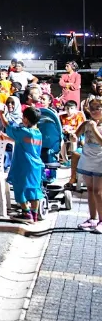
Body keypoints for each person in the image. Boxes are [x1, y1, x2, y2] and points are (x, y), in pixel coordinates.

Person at [0, 107, 45, 222]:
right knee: (34, 190)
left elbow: (7, 126)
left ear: (27, 119)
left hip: (23, 164)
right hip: (36, 166)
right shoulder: (38, 133)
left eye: (23, 117)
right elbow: (22, 141)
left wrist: (1, 114)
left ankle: (26, 212)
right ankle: (34, 215)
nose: (22, 119)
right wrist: (7, 138)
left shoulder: (24, 131)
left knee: (19, 187)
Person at [73, 99, 102, 232]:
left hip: (100, 159)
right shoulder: (86, 123)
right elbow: (76, 135)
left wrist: (94, 128)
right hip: (87, 158)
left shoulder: (95, 125)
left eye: (98, 108)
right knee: (89, 189)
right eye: (92, 108)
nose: (95, 111)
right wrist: (72, 136)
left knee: (98, 191)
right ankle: (92, 218)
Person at [60, 100, 85, 169]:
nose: (69, 110)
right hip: (65, 134)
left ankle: (74, 158)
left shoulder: (78, 116)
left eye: (71, 108)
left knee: (73, 139)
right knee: (61, 142)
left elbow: (79, 127)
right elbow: (60, 127)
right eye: (67, 108)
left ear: (75, 109)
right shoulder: (62, 117)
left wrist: (71, 131)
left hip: (75, 133)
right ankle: (65, 160)